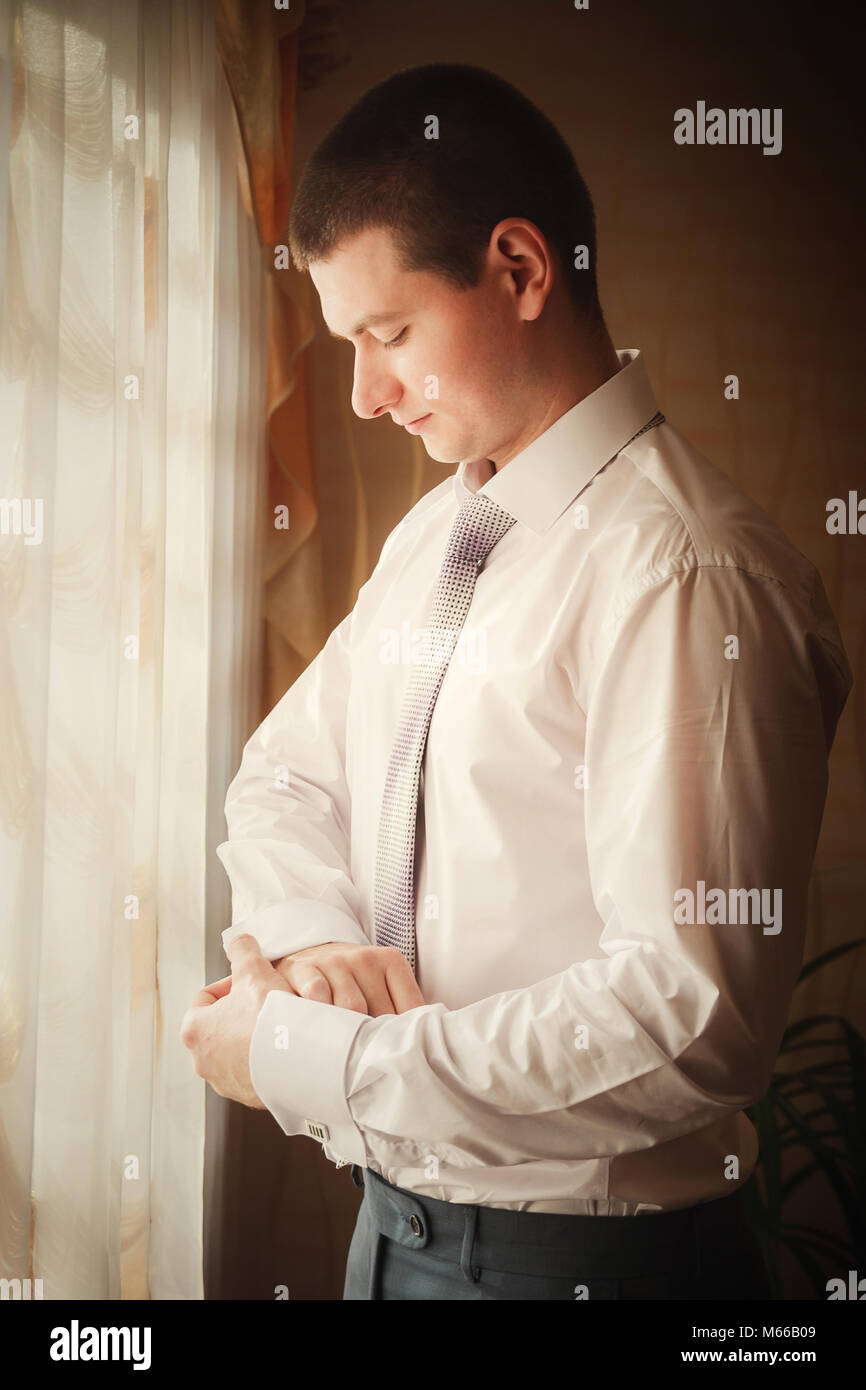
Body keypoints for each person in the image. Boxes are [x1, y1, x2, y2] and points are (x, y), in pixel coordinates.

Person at [181, 63, 852, 1300]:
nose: (366, 395)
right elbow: (285, 773)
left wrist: (306, 1053)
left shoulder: (683, 575)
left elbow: (684, 1015)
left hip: (576, 1267)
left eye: (388, 335)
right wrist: (321, 944)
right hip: (385, 1237)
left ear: (521, 270)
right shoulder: (437, 537)